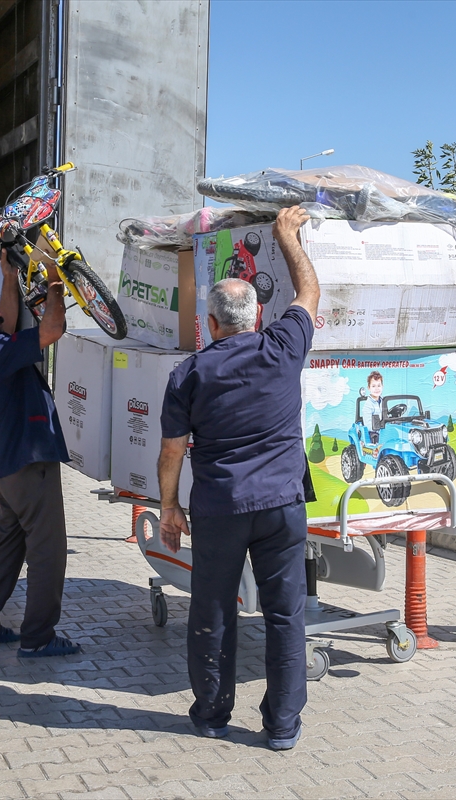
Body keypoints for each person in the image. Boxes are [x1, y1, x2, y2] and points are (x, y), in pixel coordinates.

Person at [157, 206, 320, 751]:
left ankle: (210, 714)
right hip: (281, 506)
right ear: (258, 315)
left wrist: (169, 507)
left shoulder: (190, 373)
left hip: (220, 508)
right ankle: (282, 726)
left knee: (213, 610)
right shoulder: (283, 347)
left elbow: (172, 450)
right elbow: (309, 292)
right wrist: (287, 237)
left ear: (210, 323)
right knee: (284, 616)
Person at [0, 250, 80, 658]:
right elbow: (53, 328)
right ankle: (38, 637)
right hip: (28, 461)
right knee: (48, 549)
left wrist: (8, 278)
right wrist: (56, 281)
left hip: (6, 465)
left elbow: (3, 318)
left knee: (9, 546)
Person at [361, 370, 384, 437]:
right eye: (373, 386)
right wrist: (381, 428)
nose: (376, 388)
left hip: (383, 430)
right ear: (369, 388)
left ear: (382, 386)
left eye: (379, 385)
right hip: (374, 432)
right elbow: (368, 425)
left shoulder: (384, 401)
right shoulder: (368, 405)